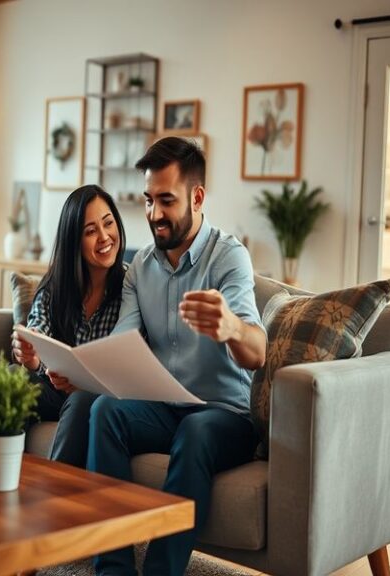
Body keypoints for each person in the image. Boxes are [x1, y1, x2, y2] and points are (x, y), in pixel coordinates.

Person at [86, 137, 267, 576]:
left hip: (223, 415)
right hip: (164, 409)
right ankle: (113, 569)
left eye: (166, 200)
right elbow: (121, 343)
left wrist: (232, 328)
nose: (153, 215)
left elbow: (257, 352)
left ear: (197, 196)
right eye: (149, 200)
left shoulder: (229, 257)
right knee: (105, 410)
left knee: (198, 431)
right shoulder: (142, 267)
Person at [11, 184, 126, 468]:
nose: (104, 237)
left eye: (108, 223)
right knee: (16, 379)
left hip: (94, 398)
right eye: (90, 231)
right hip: (54, 389)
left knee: (83, 400)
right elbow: (38, 337)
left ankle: (56, 496)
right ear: (74, 241)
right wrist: (32, 356)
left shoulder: (130, 288)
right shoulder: (55, 286)